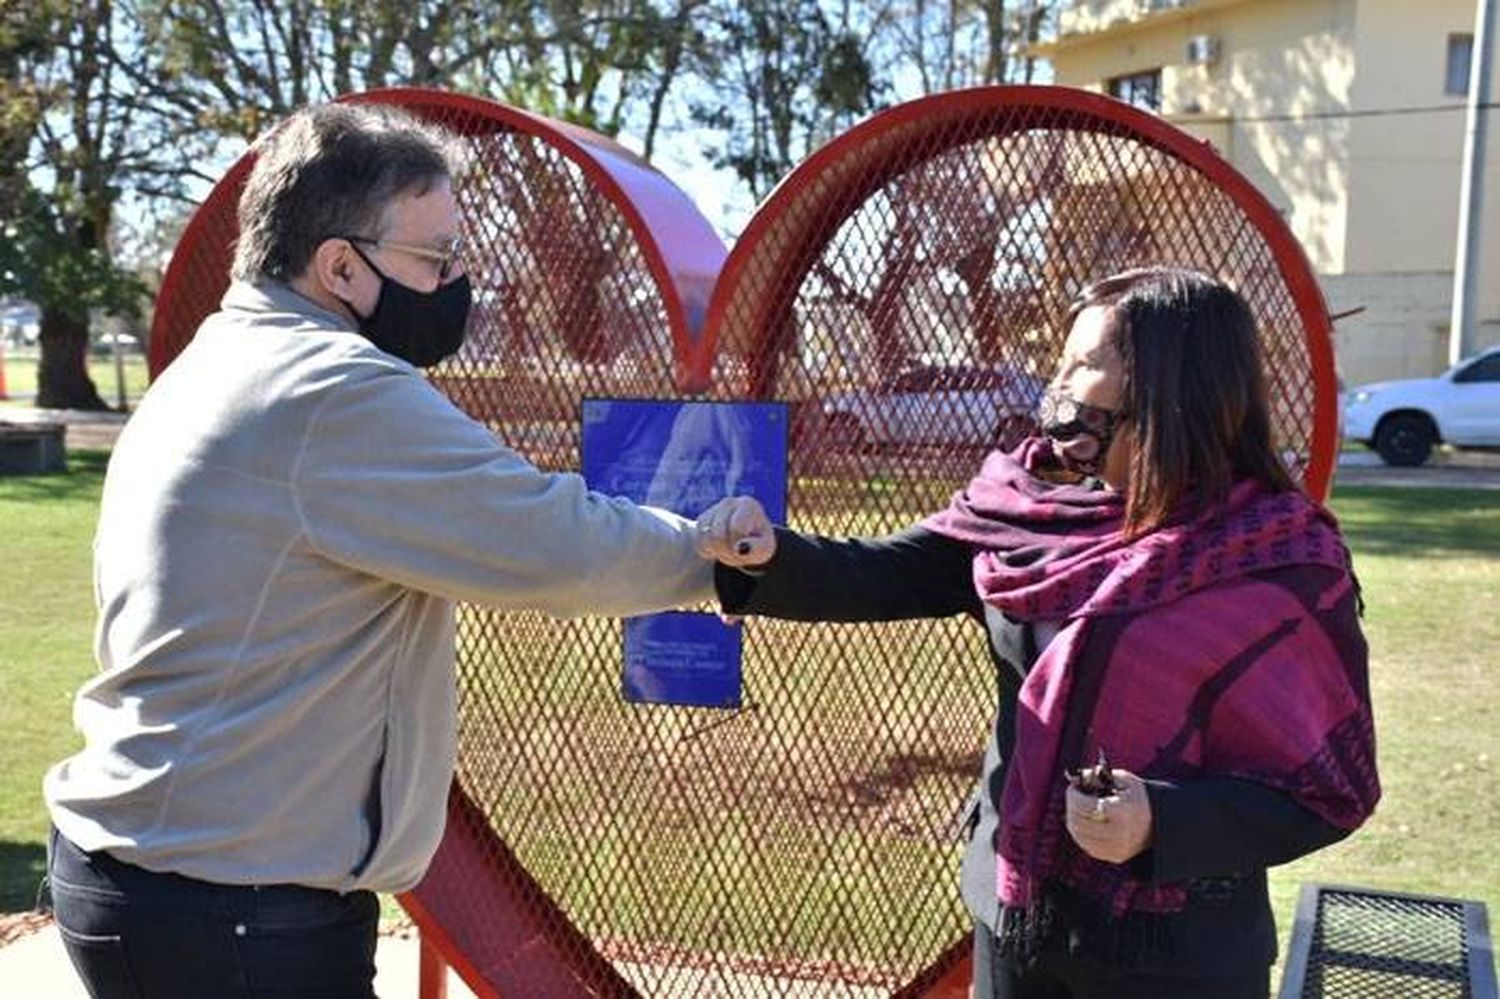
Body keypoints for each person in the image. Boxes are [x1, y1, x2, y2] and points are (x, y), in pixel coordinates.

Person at [43, 102, 716, 999]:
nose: (455, 283)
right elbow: (550, 542)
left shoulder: (220, 360)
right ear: (339, 266)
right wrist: (711, 552)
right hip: (232, 903)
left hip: (154, 871)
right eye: (434, 258)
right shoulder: (331, 388)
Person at [695, 267, 1380, 999]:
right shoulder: (1028, 508)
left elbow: (1324, 791)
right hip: (1019, 918)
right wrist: (769, 552)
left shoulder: (1279, 564)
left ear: (1169, 388)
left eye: (1083, 363)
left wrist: (1163, 819)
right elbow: (890, 572)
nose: (1057, 383)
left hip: (1181, 954)